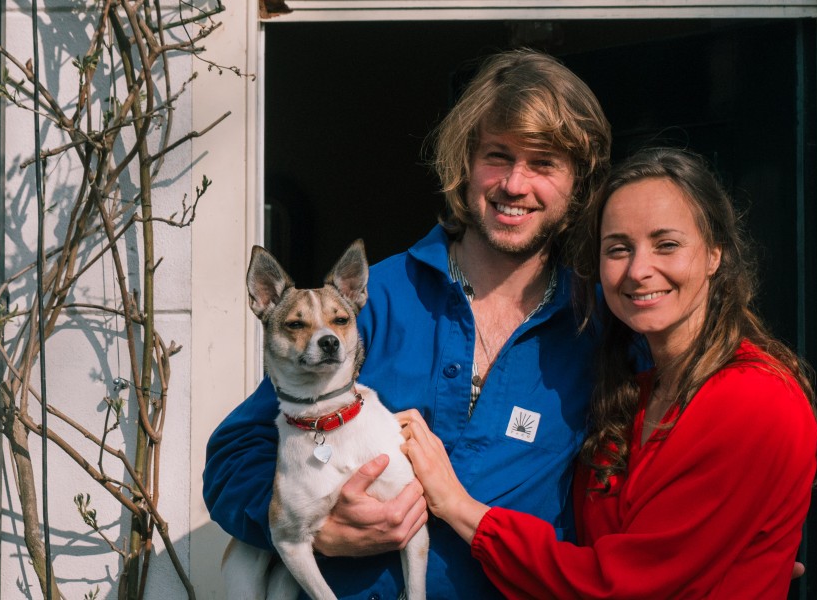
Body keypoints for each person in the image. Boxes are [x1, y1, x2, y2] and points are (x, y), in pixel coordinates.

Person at [203, 49, 612, 599]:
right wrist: (318, 527)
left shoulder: (597, 324)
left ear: (578, 181)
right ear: (464, 165)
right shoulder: (377, 301)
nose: (515, 184)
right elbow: (235, 456)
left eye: (543, 163)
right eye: (498, 156)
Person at [398, 148, 817, 599]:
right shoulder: (637, 392)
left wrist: (460, 507)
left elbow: (623, 586)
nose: (639, 270)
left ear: (714, 254)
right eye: (619, 249)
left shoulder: (753, 399)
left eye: (667, 244)